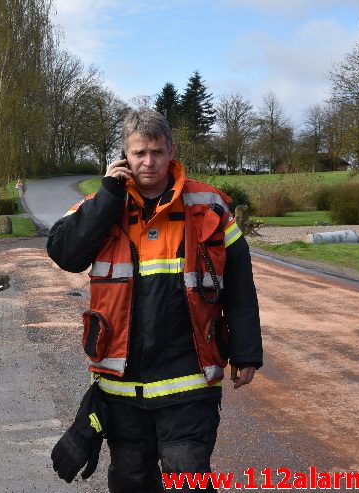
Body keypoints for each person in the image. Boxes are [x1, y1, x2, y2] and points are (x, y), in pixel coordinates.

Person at [47, 108, 262, 492]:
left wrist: (247, 352)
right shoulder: (102, 202)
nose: (149, 162)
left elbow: (241, 285)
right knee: (131, 481)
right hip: (122, 387)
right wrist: (110, 196)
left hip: (189, 380)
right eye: (139, 153)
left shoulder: (208, 203)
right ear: (124, 157)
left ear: (171, 152)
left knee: (188, 478)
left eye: (157, 152)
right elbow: (65, 252)